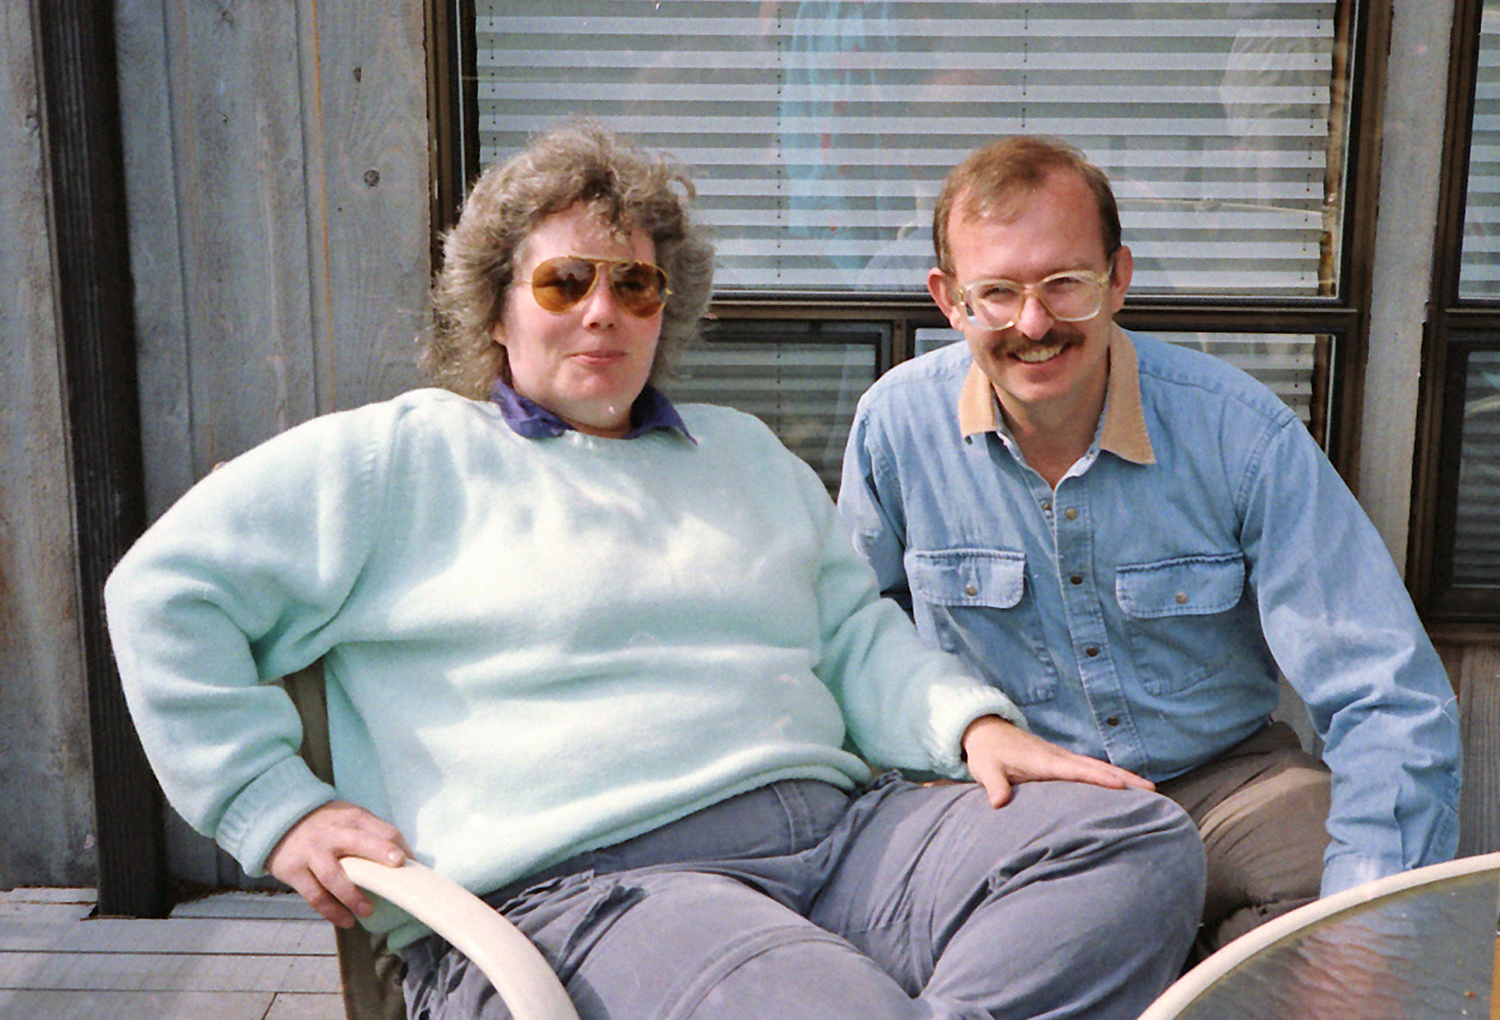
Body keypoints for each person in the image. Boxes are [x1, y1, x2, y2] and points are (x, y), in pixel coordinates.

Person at [105, 122, 1204, 1020]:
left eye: (636, 285)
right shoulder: (406, 456)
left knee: (1134, 842)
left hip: (840, 842)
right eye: (564, 282)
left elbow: (855, 639)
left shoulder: (742, 454)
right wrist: (275, 808)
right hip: (583, 895)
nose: (604, 310)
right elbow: (165, 590)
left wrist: (971, 729)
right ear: (495, 304)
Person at [837, 134, 1463, 955]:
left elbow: (1386, 692)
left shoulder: (1239, 434)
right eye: (997, 292)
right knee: (1013, 959)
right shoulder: (895, 429)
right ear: (950, 301)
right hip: (1010, 803)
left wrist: (1365, 929)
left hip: (1226, 789)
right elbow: (850, 638)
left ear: (1119, 278)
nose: (1034, 323)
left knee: (1332, 926)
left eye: (1065, 283)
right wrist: (958, 731)